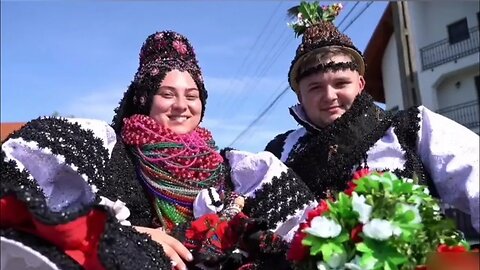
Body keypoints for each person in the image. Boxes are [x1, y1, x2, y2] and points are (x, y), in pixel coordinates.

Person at [2, 30, 317, 270]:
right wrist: (128, 234)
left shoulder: (235, 169)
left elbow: (302, 236)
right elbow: (30, 209)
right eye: (168, 94)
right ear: (145, 100)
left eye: (192, 96)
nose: (182, 105)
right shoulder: (105, 152)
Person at [264, 1, 479, 235]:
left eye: (341, 83)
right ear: (300, 96)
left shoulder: (414, 129)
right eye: (315, 87)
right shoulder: (278, 153)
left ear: (360, 85)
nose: (329, 96)